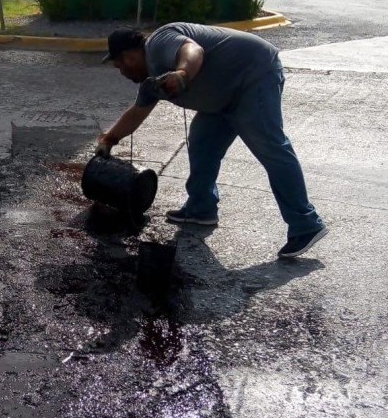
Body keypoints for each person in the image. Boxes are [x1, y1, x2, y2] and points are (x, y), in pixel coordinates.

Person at [97, 25, 328, 259]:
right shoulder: (151, 84)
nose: (121, 72)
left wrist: (182, 73)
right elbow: (137, 113)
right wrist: (109, 139)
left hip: (253, 74)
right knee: (202, 143)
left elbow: (192, 50)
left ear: (128, 56)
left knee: (270, 147)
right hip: (224, 94)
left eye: (119, 66)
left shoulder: (158, 42)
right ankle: (201, 207)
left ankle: (306, 224)